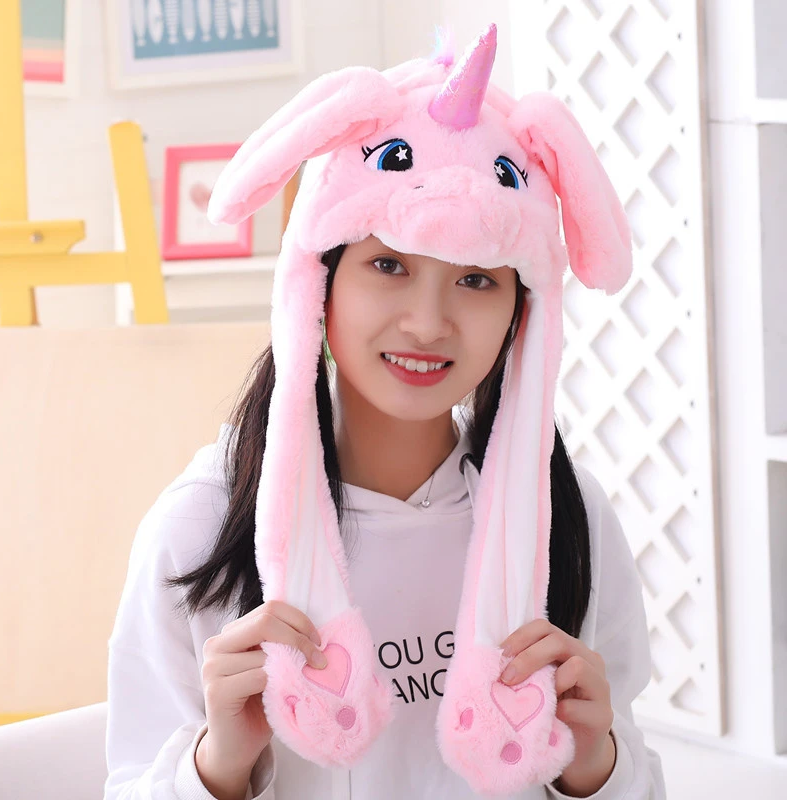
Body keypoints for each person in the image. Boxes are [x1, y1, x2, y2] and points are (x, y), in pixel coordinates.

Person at [104, 24, 666, 800]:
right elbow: (129, 777)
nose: (428, 324)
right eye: (388, 265)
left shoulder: (570, 517)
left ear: (522, 312)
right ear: (319, 280)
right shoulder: (202, 526)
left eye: (477, 279)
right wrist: (217, 765)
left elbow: (637, 775)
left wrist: (594, 764)